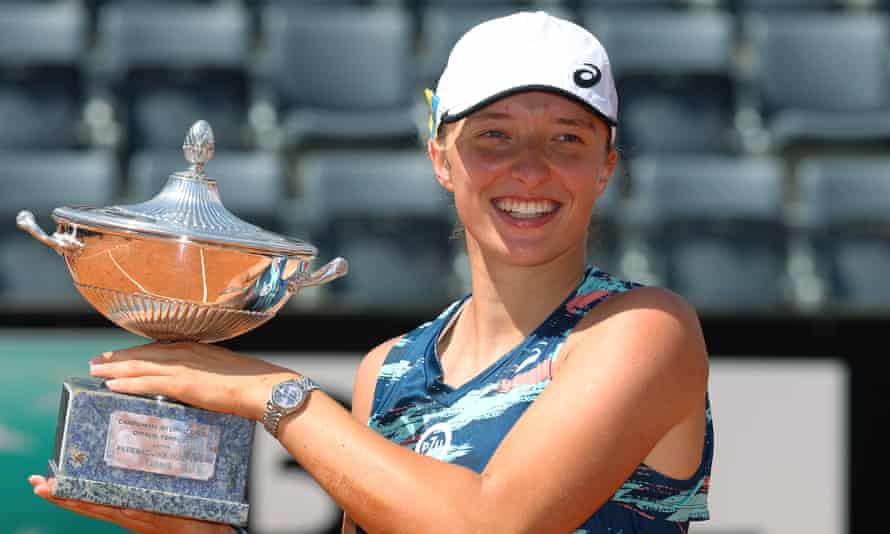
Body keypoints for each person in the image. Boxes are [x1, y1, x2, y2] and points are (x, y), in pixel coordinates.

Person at [29, 11, 713, 534]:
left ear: (606, 168)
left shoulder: (643, 330)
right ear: (441, 159)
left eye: (568, 137)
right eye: (493, 136)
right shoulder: (389, 370)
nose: (530, 167)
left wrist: (277, 396)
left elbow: (492, 524)